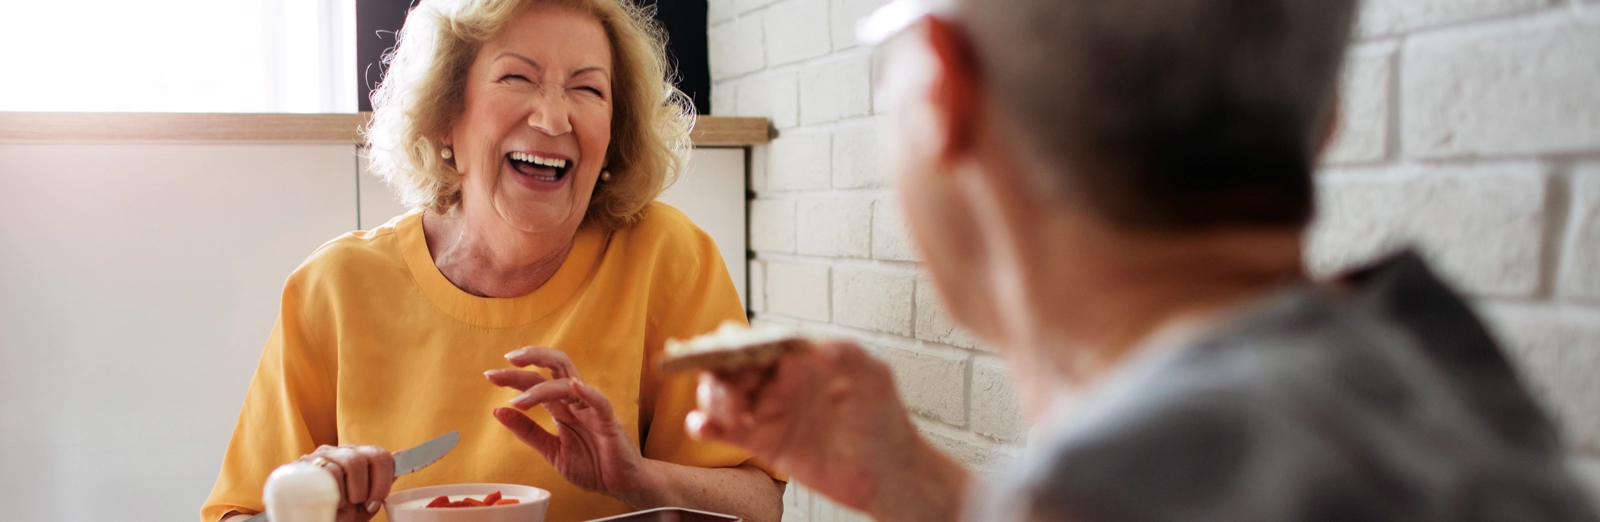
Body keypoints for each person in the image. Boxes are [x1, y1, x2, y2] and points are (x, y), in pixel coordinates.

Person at [687, 0, 1600, 521]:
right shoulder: (1445, 373)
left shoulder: (1114, 491)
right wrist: (925, 486)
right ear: (1324, 118)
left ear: (944, 96)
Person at [201, 1, 785, 521]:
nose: (554, 120)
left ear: (614, 133)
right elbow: (243, 511)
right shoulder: (333, 288)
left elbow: (760, 501)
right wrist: (312, 511)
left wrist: (637, 479)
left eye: (588, 89)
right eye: (516, 77)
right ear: (446, 113)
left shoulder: (670, 258)